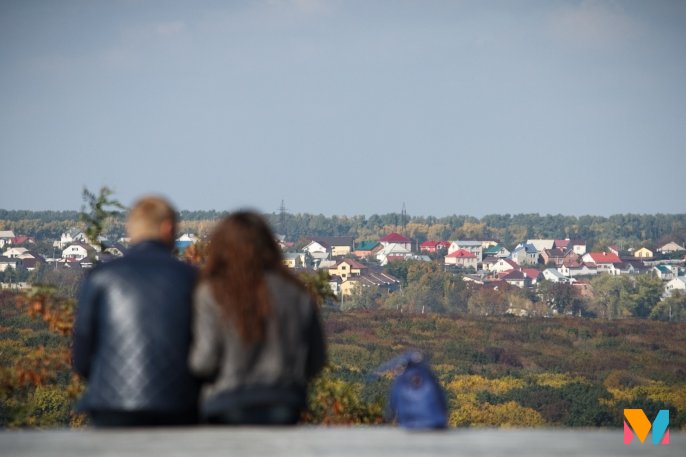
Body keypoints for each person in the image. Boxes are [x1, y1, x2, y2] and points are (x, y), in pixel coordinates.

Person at [72, 196, 200, 427]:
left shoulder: (101, 277)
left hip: (111, 409)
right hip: (176, 409)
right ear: (168, 228)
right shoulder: (190, 278)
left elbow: (81, 358)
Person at [189, 211, 326, 425]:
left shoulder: (211, 292)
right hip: (283, 401)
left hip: (227, 401)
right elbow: (317, 360)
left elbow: (205, 361)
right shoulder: (295, 292)